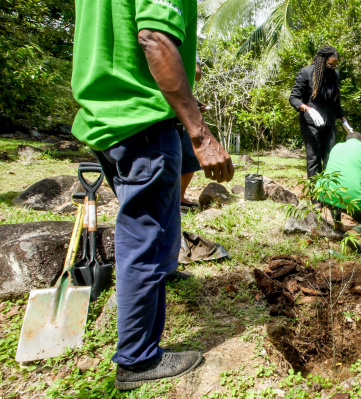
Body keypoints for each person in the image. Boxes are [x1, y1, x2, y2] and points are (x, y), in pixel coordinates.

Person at [71, 0, 234, 390]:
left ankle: (157, 288)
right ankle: (138, 359)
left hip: (106, 118)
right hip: (143, 120)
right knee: (147, 239)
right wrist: (200, 133)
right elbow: (154, 38)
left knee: (149, 231)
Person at [289, 45, 354, 201]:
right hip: (311, 124)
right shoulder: (306, 73)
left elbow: (336, 100)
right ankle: (316, 198)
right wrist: (308, 109)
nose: (332, 68)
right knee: (314, 160)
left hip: (329, 123)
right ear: (322, 60)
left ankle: (328, 196)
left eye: (335, 65)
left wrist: (343, 120)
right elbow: (293, 98)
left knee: (330, 160)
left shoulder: (335, 75)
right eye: (330, 64)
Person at [318, 132, 361, 256]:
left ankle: (337, 224)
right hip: (351, 197)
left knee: (337, 192)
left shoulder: (337, 147)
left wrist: (337, 220)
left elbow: (336, 182)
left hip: (324, 194)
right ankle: (356, 233)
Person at [179, 54, 206, 209]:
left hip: (183, 106)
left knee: (189, 157)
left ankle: (180, 197)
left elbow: (197, 75)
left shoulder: (190, 48)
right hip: (162, 110)